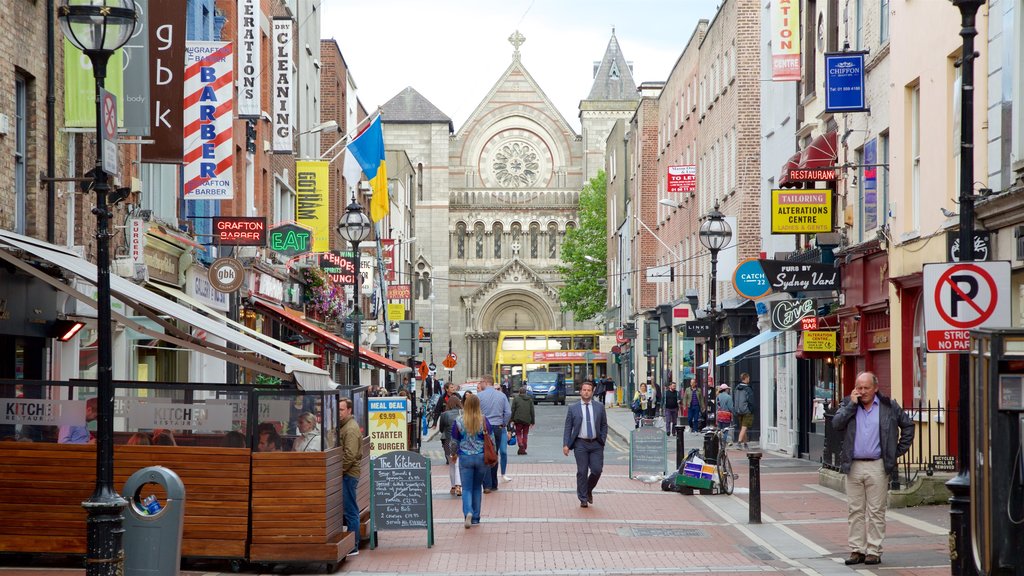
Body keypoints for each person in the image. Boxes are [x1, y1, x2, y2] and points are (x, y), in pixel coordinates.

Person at [831, 372, 914, 566]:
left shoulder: (888, 406)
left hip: (878, 465)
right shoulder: (848, 405)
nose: (862, 392)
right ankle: (857, 550)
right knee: (855, 510)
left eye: (866, 388)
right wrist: (851, 405)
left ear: (875, 388)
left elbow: (908, 426)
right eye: (859, 387)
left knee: (876, 511)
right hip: (854, 465)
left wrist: (895, 452)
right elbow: (836, 424)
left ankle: (874, 550)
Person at [562, 381, 607, 508]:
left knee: (597, 470)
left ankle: (588, 490)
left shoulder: (599, 407)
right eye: (584, 390)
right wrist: (566, 444)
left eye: (589, 390)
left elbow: (604, 425)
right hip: (580, 443)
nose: (586, 392)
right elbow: (568, 427)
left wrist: (602, 439)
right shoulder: (573, 408)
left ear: (592, 392)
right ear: (580, 391)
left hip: (596, 444)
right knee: (582, 471)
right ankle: (583, 498)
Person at [451, 393, 492, 528]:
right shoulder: (484, 420)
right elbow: (490, 440)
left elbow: (454, 441)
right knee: (477, 487)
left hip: (465, 457)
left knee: (467, 488)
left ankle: (468, 511)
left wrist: (453, 454)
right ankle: (475, 517)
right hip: (481, 457)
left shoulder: (459, 420)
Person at [476, 375, 511, 490]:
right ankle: (494, 484)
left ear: (486, 382)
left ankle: (487, 485)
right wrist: (503, 423)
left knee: (484, 453)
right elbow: (508, 412)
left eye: (481, 382)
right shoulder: (502, 396)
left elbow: (475, 413)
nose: (479, 384)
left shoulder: (479, 396)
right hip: (497, 427)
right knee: (494, 454)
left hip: (483, 427)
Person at [339, 398, 361, 556]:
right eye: (338, 410)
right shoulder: (345, 426)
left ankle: (354, 545)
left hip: (349, 474)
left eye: (341, 410)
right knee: (348, 509)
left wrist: (338, 471)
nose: (339, 413)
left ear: (349, 410)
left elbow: (350, 455)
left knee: (351, 510)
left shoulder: (350, 429)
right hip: (347, 473)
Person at [438, 395, 463, 496]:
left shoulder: (444, 414)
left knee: (452, 465)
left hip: (448, 441)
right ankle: (459, 486)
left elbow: (441, 429)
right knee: (458, 464)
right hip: (461, 441)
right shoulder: (463, 413)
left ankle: (453, 486)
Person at [510, 385, 535, 455]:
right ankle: (524, 446)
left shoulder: (516, 399)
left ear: (519, 392)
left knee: (518, 433)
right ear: (525, 392)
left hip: (518, 419)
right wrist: (532, 421)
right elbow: (532, 411)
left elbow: (513, 410)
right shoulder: (530, 399)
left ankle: (520, 444)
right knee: (525, 434)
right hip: (527, 420)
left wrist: (511, 419)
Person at [733, 373, 755, 449]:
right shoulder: (748, 389)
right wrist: (751, 409)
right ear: (746, 378)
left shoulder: (736, 388)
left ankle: (745, 444)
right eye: (748, 378)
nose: (749, 379)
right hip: (746, 410)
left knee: (743, 427)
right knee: (744, 427)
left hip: (738, 410)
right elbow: (751, 400)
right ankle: (739, 443)